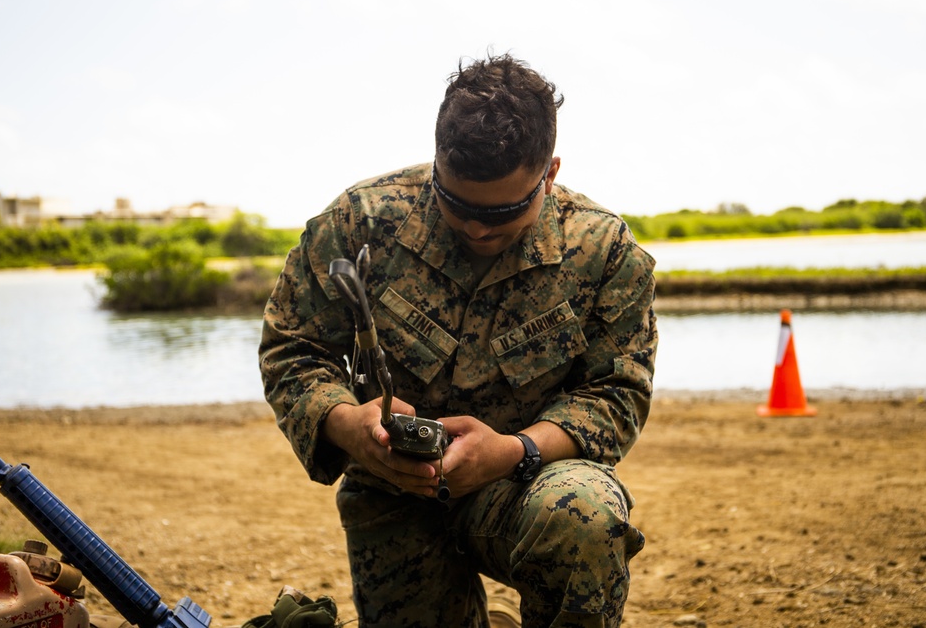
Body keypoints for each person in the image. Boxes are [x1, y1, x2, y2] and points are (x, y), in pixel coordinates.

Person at [259, 53, 658, 628]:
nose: (477, 227)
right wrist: (349, 425)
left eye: (505, 210)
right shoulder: (361, 222)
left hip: (525, 481)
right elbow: (293, 348)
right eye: (459, 205)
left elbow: (616, 394)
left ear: (549, 173)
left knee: (587, 514)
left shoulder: (603, 251)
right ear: (437, 163)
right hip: (394, 493)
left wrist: (515, 449)